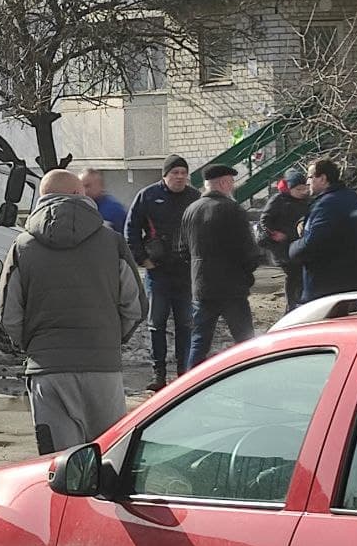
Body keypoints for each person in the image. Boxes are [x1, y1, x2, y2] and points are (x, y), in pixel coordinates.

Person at [0, 170, 145, 454]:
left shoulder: (22, 246)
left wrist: (34, 345)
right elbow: (135, 305)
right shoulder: (111, 241)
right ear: (80, 195)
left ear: (42, 199)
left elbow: (7, 313)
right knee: (108, 459)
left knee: (60, 464)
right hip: (102, 368)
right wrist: (112, 338)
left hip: (47, 371)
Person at [125, 155, 201, 391]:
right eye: (174, 173)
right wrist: (142, 259)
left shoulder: (195, 197)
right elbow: (131, 229)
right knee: (156, 324)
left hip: (186, 273)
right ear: (164, 175)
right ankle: (159, 374)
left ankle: (184, 373)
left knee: (186, 325)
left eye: (183, 173)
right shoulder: (147, 196)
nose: (179, 177)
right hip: (157, 273)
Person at [180, 164, 259, 370]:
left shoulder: (191, 210)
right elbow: (249, 251)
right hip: (232, 288)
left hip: (202, 287)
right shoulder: (233, 210)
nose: (232, 186)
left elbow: (182, 250)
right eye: (231, 182)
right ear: (224, 183)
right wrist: (247, 275)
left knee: (199, 342)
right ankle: (252, 381)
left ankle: (188, 386)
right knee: (245, 342)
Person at [288, 157, 357, 302]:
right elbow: (339, 226)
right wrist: (305, 221)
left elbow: (314, 243)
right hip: (353, 281)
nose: (307, 182)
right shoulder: (352, 198)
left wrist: (292, 249)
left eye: (310, 177)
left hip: (327, 286)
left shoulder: (327, 204)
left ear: (322, 178)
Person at [260, 168, 311, 311]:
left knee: (299, 274)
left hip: (298, 243)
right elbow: (264, 220)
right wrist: (274, 233)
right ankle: (291, 306)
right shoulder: (278, 200)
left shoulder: (307, 201)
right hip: (282, 246)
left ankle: (298, 303)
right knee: (293, 273)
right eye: (299, 189)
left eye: (304, 188)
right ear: (289, 189)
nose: (303, 192)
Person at [80, 167, 127, 235]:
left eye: (87, 186)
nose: (84, 190)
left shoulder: (115, 210)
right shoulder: (77, 208)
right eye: (81, 186)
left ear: (101, 186)